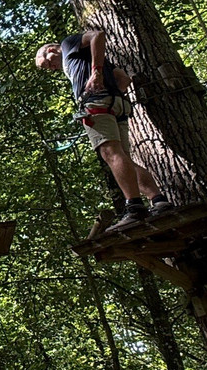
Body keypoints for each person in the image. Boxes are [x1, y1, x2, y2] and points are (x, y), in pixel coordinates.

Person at [35, 30, 172, 232]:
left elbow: (97, 35)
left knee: (111, 153)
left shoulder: (67, 45)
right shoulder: (85, 58)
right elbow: (123, 78)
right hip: (115, 104)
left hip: (96, 104)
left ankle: (134, 207)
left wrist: (96, 73)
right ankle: (158, 200)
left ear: (52, 49)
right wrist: (110, 88)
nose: (52, 68)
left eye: (47, 63)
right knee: (123, 157)